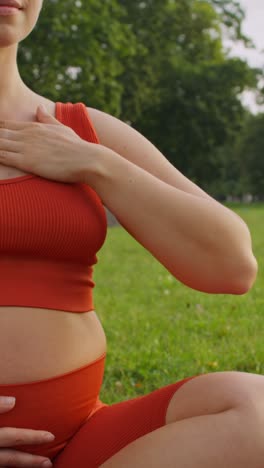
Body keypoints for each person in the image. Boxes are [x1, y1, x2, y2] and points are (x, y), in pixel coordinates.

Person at [0, 1, 263, 467]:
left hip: (83, 443)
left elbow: (232, 264)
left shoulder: (79, 131)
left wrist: (96, 164)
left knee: (254, 409)